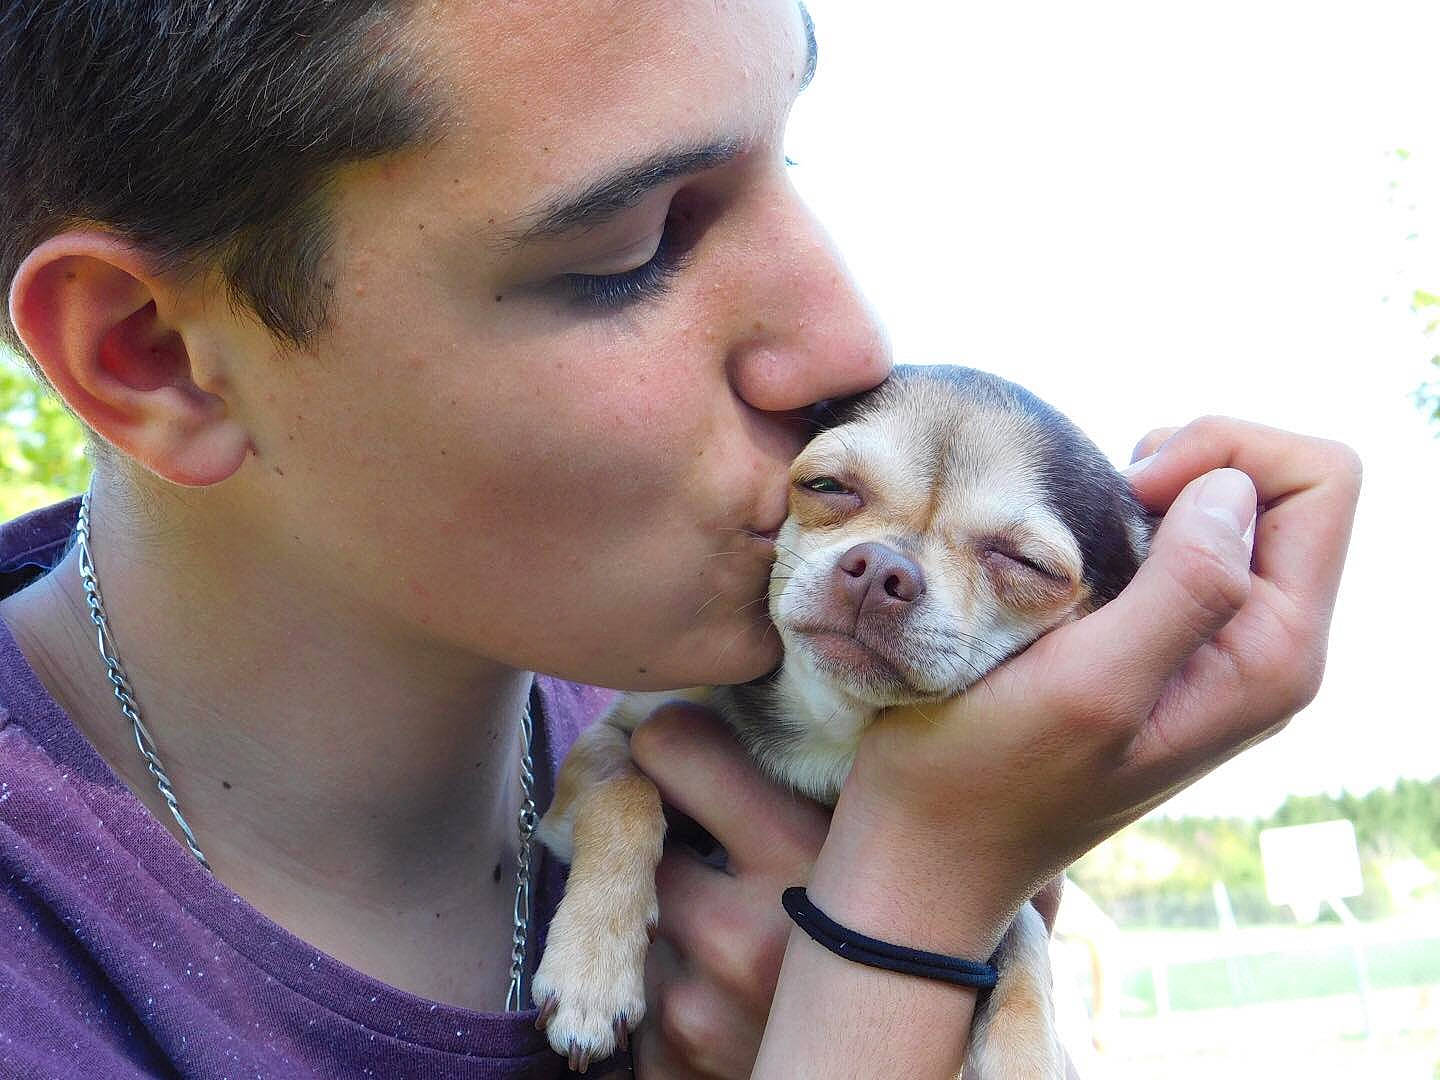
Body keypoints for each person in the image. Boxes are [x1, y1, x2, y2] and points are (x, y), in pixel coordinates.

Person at [0, 1, 1360, 1077]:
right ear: (155, 356)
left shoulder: (724, 708)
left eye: (791, 162)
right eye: (630, 245)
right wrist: (898, 932)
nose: (850, 344)